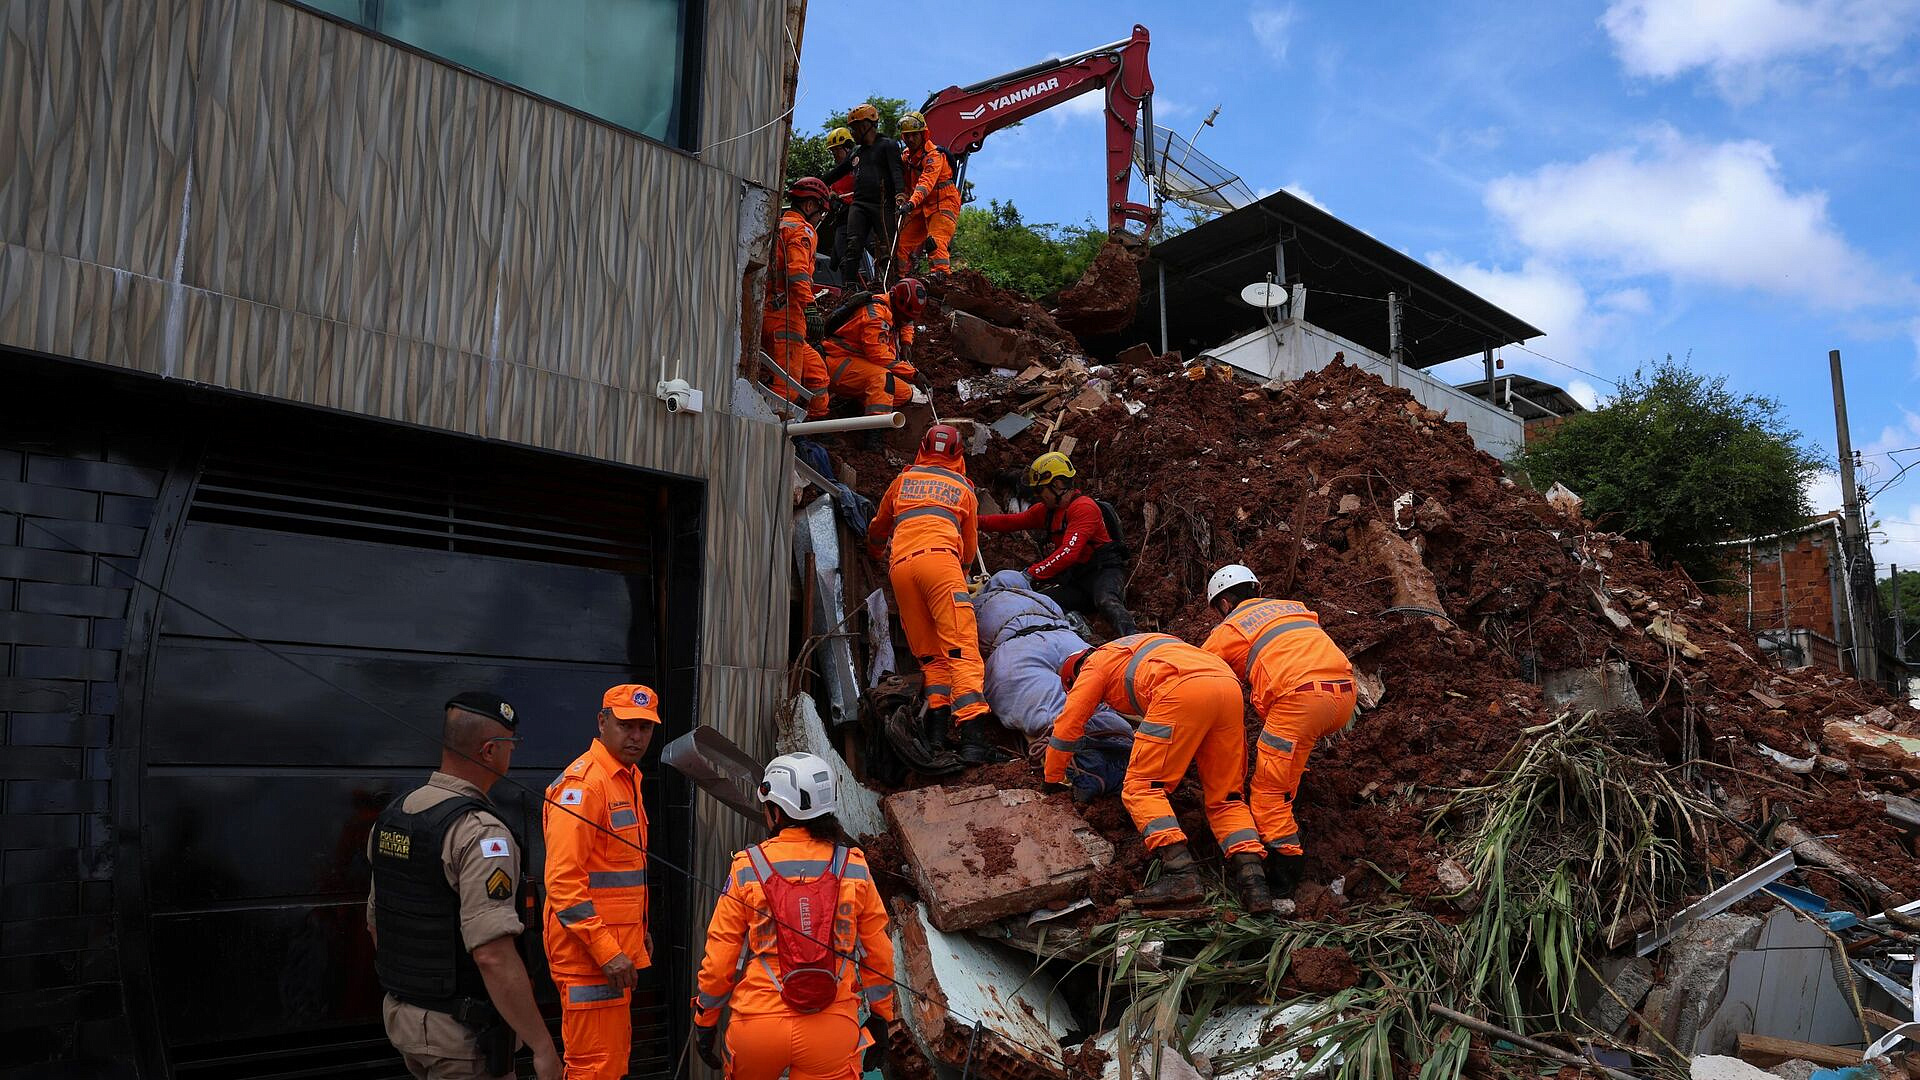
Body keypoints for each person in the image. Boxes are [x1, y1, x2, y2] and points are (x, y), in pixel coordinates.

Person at [367, 692, 562, 1080]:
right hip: (462, 1037)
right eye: (511, 745)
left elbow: (377, 922)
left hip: (405, 1019)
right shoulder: (479, 833)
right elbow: (492, 954)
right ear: (490, 751)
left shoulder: (395, 816)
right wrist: (543, 1047)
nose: (513, 754)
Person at [691, 753, 897, 1080]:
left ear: (776, 811)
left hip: (758, 1027)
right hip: (832, 1029)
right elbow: (879, 954)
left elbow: (720, 958)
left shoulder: (748, 868)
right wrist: (881, 1017)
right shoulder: (854, 867)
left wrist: (705, 1019)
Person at [1050, 636, 1273, 913]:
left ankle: (1180, 873)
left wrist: (1053, 778)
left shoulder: (1094, 665)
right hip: (1227, 687)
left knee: (1141, 787)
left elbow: (1067, 726)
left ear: (1074, 676)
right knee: (1226, 797)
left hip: (1180, 689)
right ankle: (1255, 884)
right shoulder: (1142, 646)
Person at [1200, 565, 1356, 894]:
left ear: (1225, 604)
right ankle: (1289, 801)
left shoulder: (1229, 629)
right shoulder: (1292, 607)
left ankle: (1286, 866)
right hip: (1343, 694)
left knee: (1267, 791)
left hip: (1298, 699)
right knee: (1288, 765)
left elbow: (1196, 675)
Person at [866, 424, 1008, 764]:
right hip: (941, 563)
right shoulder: (962, 487)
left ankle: (935, 737)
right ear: (958, 455)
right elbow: (970, 547)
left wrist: (874, 553)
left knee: (932, 657)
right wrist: (960, 574)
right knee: (961, 651)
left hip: (901, 569)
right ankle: (974, 739)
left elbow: (878, 527)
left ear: (922, 447)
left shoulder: (903, 481)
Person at [544, 685, 660, 1080]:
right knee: (594, 1069)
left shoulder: (626, 778)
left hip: (611, 956)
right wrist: (608, 950)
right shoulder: (585, 786)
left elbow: (619, 875)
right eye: (627, 725)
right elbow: (563, 884)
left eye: (645, 728)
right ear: (602, 722)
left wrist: (638, 932)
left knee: (609, 1064)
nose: (636, 737)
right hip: (590, 960)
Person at [978, 452, 1139, 635]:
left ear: (1058, 484)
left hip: (1103, 572)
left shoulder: (1084, 508)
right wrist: (975, 521)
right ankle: (1079, 631)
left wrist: (1030, 574)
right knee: (1041, 603)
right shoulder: (1047, 511)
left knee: (1107, 601)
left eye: (1041, 490)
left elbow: (1069, 552)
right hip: (1077, 580)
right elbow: (1011, 522)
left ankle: (1136, 638)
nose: (1038, 496)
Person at [763, 177, 833, 418]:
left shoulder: (777, 225)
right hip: (786, 317)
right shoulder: (802, 231)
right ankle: (771, 438)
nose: (820, 219)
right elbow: (797, 273)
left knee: (818, 376)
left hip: (773, 314)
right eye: (821, 213)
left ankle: (810, 431)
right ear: (811, 206)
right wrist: (810, 307)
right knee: (786, 390)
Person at [820, 279, 925, 427]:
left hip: (859, 364)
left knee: (904, 393)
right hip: (838, 363)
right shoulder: (876, 316)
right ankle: (874, 431)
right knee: (882, 378)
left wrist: (906, 342)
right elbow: (878, 356)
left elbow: (907, 322)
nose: (906, 321)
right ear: (897, 305)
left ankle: (858, 406)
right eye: (905, 317)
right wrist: (914, 374)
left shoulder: (892, 307)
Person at [821, 103, 903, 287]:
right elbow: (836, 173)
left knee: (886, 248)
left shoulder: (888, 145)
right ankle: (849, 288)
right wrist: (816, 183)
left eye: (855, 129)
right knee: (853, 245)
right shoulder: (857, 153)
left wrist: (900, 194)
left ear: (865, 127)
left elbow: (897, 171)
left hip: (883, 205)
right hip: (859, 205)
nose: (853, 134)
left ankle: (893, 285)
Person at [892, 112, 960, 279]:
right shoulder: (907, 157)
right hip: (921, 206)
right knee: (900, 243)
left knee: (935, 241)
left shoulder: (934, 156)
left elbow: (925, 183)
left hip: (944, 203)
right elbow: (904, 182)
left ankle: (942, 278)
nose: (910, 139)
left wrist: (910, 204)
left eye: (914, 135)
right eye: (906, 136)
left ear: (923, 134)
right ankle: (898, 280)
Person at [820, 127, 861, 284]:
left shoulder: (857, 169)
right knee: (839, 256)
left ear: (847, 148)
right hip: (843, 220)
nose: (834, 155)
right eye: (832, 152)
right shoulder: (836, 176)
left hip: (859, 217)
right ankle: (850, 287)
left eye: (836, 151)